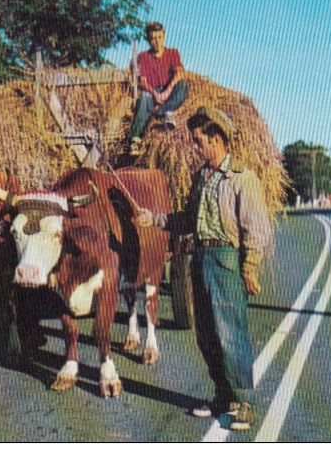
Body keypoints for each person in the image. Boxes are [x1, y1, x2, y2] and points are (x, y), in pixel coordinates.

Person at [134, 106, 271, 431]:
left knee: (230, 332)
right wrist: (152, 218)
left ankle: (243, 403)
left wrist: (249, 268)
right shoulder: (202, 178)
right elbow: (186, 219)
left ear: (217, 139)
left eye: (198, 141)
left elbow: (256, 228)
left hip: (226, 261)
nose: (194, 147)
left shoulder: (241, 177)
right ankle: (222, 397)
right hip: (200, 259)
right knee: (207, 334)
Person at [128, 22, 189, 155]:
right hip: (152, 92)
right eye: (153, 38)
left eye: (159, 37)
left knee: (183, 86)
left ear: (164, 36)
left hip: (168, 91)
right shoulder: (143, 56)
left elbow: (179, 72)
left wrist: (167, 92)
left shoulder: (172, 53)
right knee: (144, 96)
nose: (157, 42)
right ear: (149, 40)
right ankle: (135, 137)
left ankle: (163, 111)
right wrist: (154, 94)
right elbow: (142, 81)